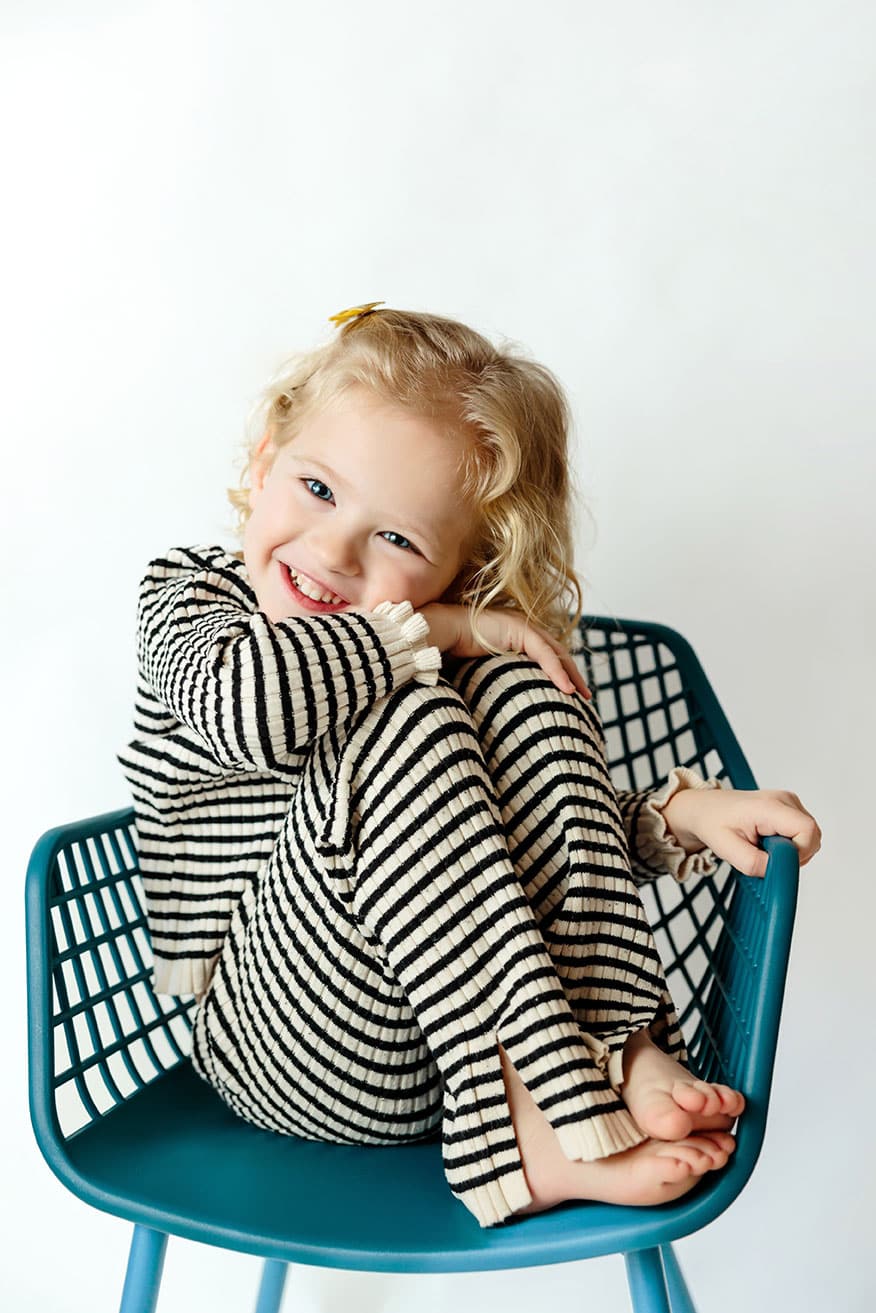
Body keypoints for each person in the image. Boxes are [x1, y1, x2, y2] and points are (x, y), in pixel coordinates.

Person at [118, 304, 820, 1229]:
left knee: (521, 684)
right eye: (318, 488)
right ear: (264, 461)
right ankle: (539, 1119)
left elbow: (488, 843)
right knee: (407, 704)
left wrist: (672, 820)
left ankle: (611, 1055)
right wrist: (437, 629)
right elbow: (250, 704)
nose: (333, 549)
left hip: (447, 1056)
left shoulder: (432, 666)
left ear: (459, 566)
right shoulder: (188, 599)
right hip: (281, 1043)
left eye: (398, 539)